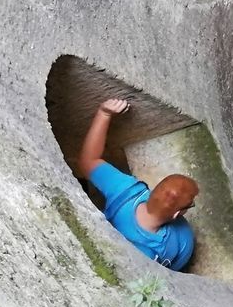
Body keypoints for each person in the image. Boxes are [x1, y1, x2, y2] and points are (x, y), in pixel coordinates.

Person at [77, 98, 199, 271]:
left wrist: (104, 113)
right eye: (191, 203)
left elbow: (88, 161)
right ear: (177, 214)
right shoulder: (182, 240)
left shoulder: (127, 191)